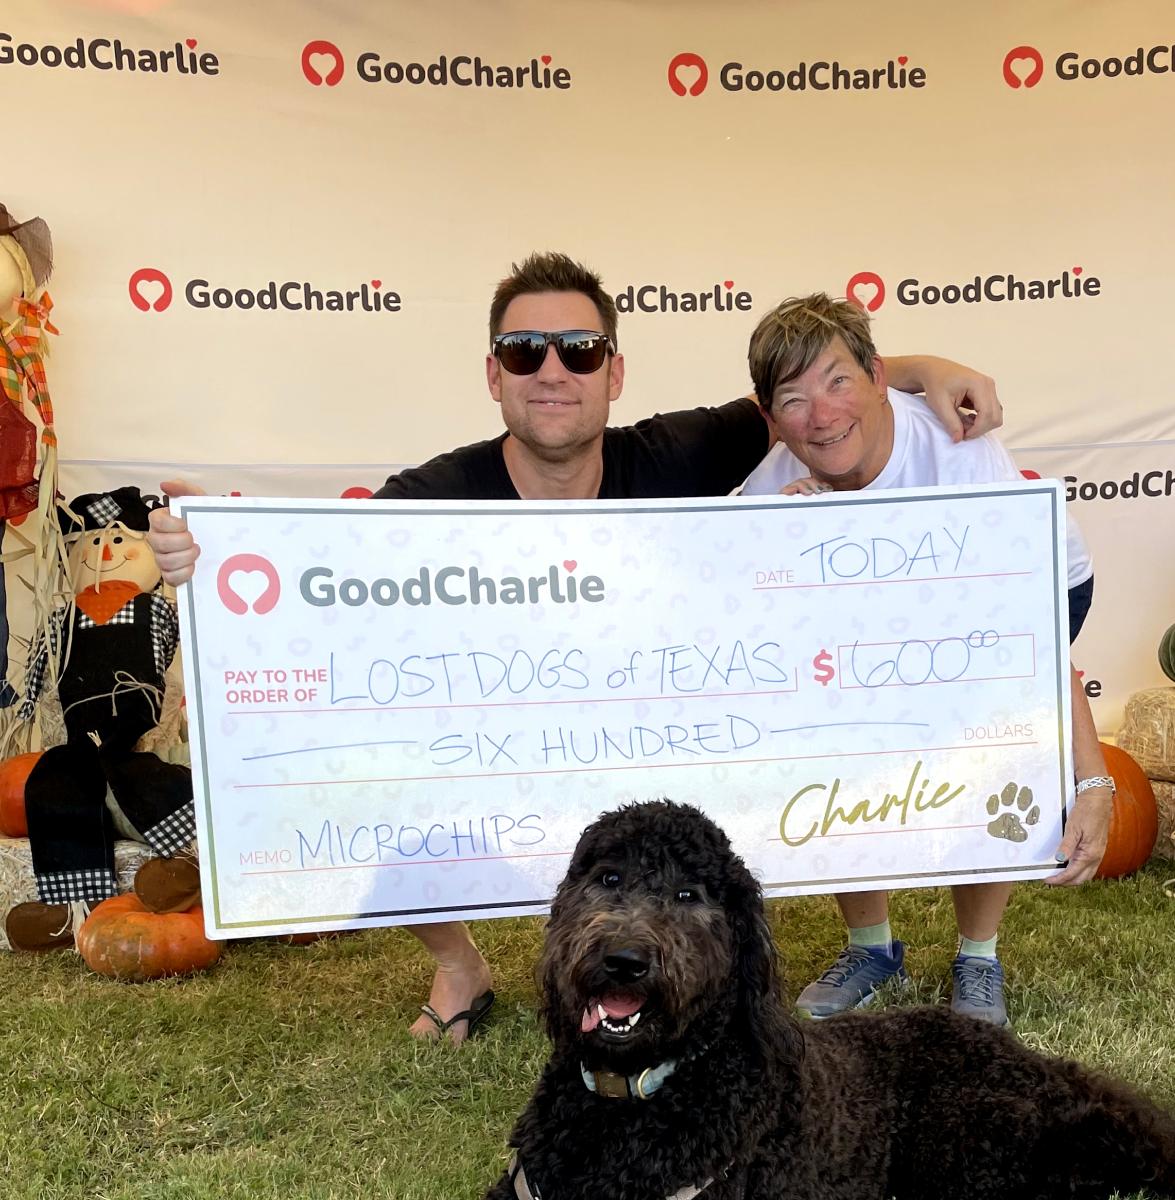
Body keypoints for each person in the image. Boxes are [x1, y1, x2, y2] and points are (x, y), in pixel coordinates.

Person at [148, 252, 1005, 1042]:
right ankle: (459, 964)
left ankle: (715, 956)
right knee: (368, 756)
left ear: (614, 372)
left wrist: (931, 371)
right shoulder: (435, 498)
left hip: (656, 730)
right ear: (493, 374)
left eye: (578, 350)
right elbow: (311, 565)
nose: (552, 370)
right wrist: (211, 547)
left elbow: (807, 389)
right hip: (511, 727)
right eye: (523, 352)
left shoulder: (682, 450)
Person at [741, 292, 1113, 1027]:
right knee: (835, 732)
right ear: (768, 416)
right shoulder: (768, 488)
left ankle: (978, 954)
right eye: (793, 399)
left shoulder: (957, 451)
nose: (820, 415)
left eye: (838, 382)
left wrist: (1091, 776)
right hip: (882, 614)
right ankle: (871, 946)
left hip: (1034, 594)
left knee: (986, 741)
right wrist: (779, 546)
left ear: (879, 379)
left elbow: (1024, 635)